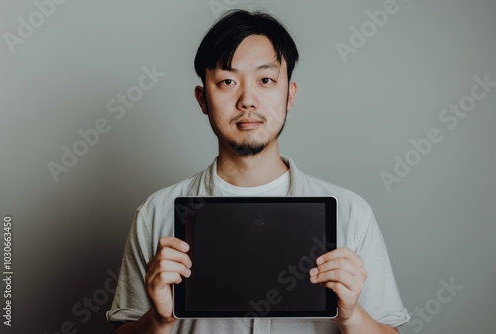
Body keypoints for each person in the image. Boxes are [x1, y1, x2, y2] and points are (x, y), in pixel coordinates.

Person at [106, 9, 410, 334]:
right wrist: (159, 320)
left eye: (265, 80)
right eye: (227, 81)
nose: (247, 99)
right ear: (202, 98)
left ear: (290, 95)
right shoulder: (157, 213)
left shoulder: (352, 214)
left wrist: (351, 316)